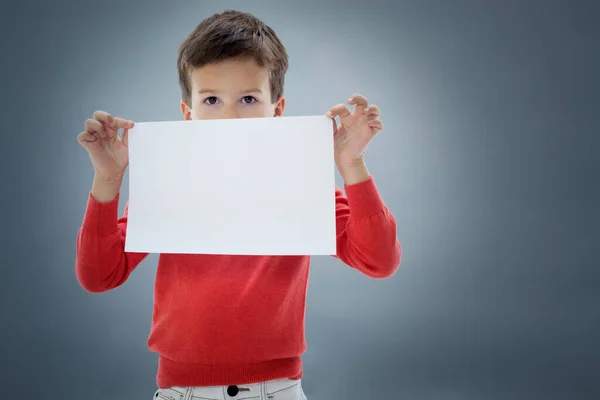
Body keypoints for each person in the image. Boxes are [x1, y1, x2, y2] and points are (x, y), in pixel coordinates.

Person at [75, 9, 401, 400]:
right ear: (187, 113)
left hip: (277, 388)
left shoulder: (304, 186)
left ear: (277, 110)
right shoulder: (168, 187)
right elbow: (99, 276)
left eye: (248, 98)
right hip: (181, 390)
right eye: (211, 99)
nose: (229, 116)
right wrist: (108, 180)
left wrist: (352, 165)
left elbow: (379, 261)